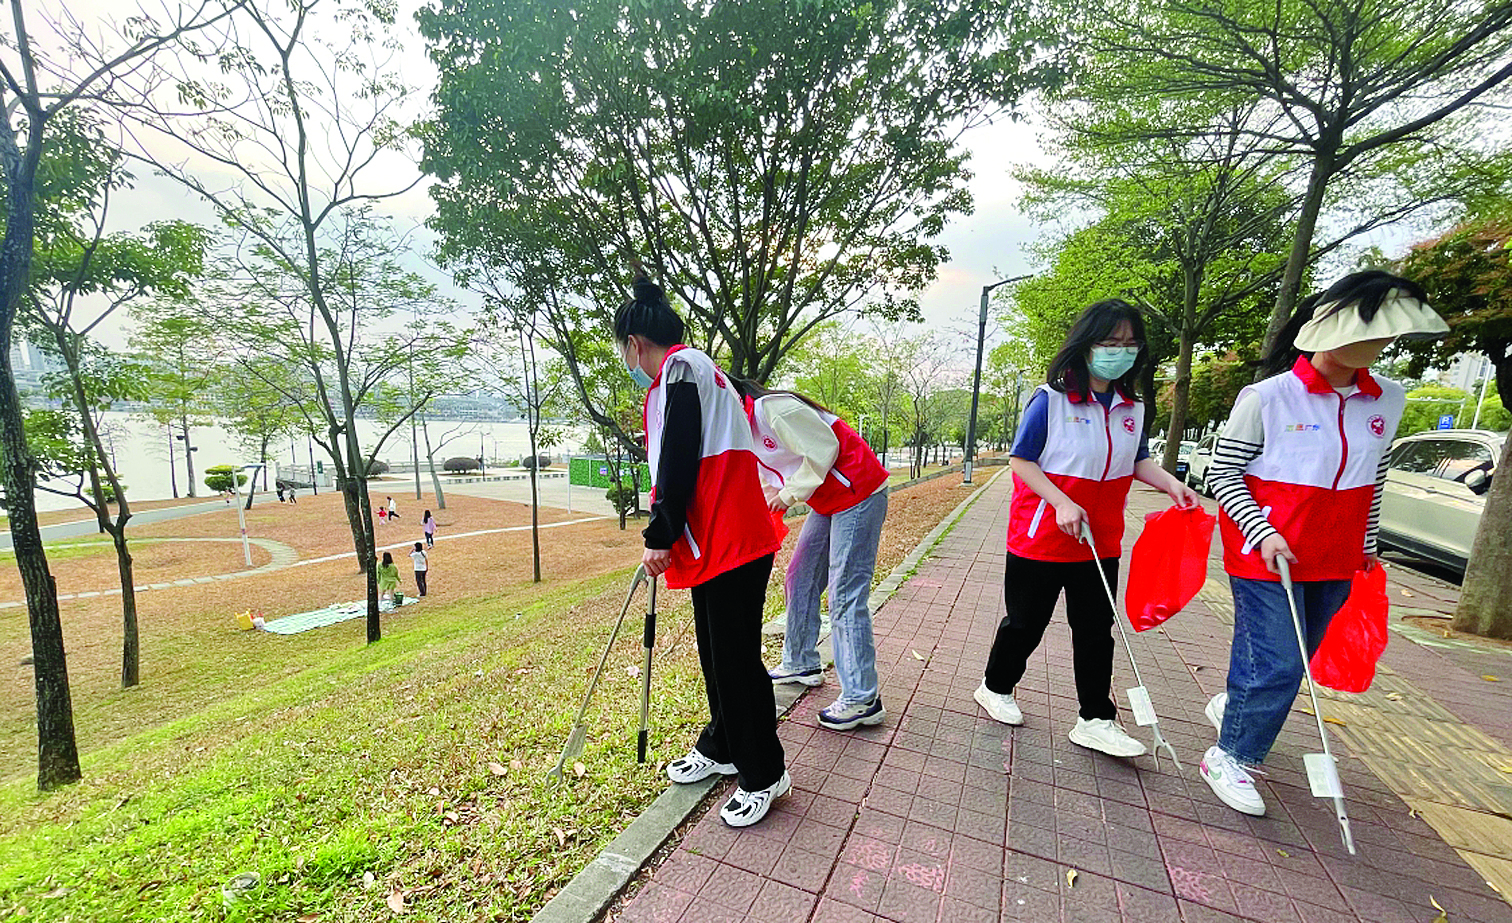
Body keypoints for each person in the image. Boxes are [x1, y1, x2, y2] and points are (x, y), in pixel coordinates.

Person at [1199, 271, 1444, 817]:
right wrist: (1262, 531)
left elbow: (1374, 477)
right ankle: (1231, 755)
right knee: (1278, 663)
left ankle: (1237, 706)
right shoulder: (1267, 397)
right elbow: (1224, 471)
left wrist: (1368, 541)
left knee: (1293, 658)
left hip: (1336, 555)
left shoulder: (1388, 399)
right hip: (1265, 555)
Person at [974, 299, 1200, 758]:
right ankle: (995, 687)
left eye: (1130, 344)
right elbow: (1022, 460)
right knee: (1026, 624)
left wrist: (1172, 485)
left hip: (1101, 540)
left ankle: (1096, 718)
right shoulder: (1051, 400)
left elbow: (1136, 460)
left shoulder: (1133, 407)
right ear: (1086, 344)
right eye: (1111, 342)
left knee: (1096, 629)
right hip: (1041, 536)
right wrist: (1060, 501)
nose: (1121, 352)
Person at [614, 273, 789, 828]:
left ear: (634, 344)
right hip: (717, 538)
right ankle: (723, 744)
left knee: (735, 659)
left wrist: (659, 534)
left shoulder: (682, 370)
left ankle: (765, 772)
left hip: (733, 536)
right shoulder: (692, 369)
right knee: (717, 653)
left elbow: (680, 456)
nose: (627, 360)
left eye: (624, 351)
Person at [732, 378, 890, 732]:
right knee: (800, 576)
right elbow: (771, 477)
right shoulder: (744, 429)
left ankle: (862, 698)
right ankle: (801, 661)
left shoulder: (771, 408)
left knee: (845, 593)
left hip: (859, 490)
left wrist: (787, 496)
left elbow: (824, 447)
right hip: (828, 500)